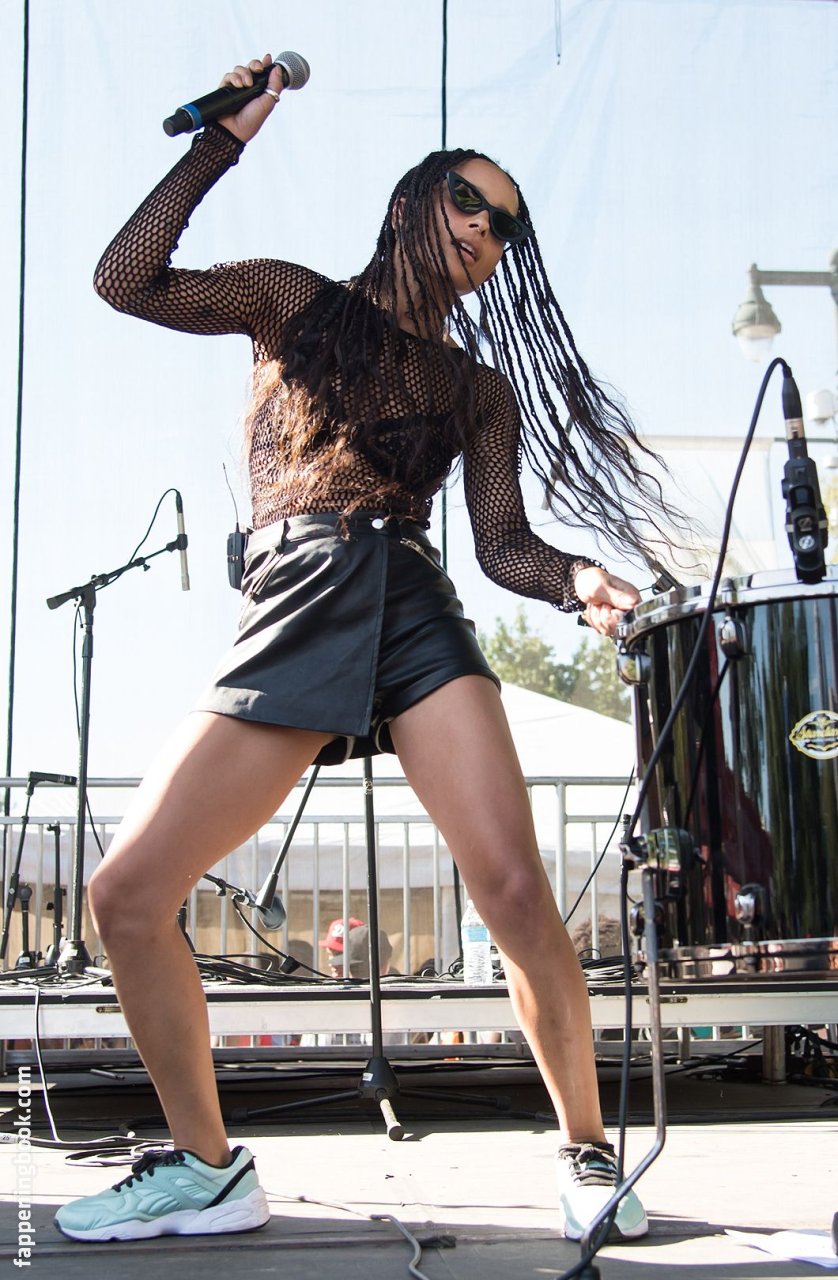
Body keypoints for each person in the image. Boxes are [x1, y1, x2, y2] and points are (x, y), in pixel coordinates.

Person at [53, 52, 680, 1244]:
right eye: (467, 201)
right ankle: (207, 1168)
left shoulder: (474, 388)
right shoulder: (291, 299)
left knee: (514, 889)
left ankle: (588, 1151)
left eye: (504, 225)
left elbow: (503, 545)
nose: (484, 230)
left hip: (411, 601)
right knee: (126, 894)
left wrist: (578, 580)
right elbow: (123, 279)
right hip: (297, 595)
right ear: (409, 204)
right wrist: (222, 139)